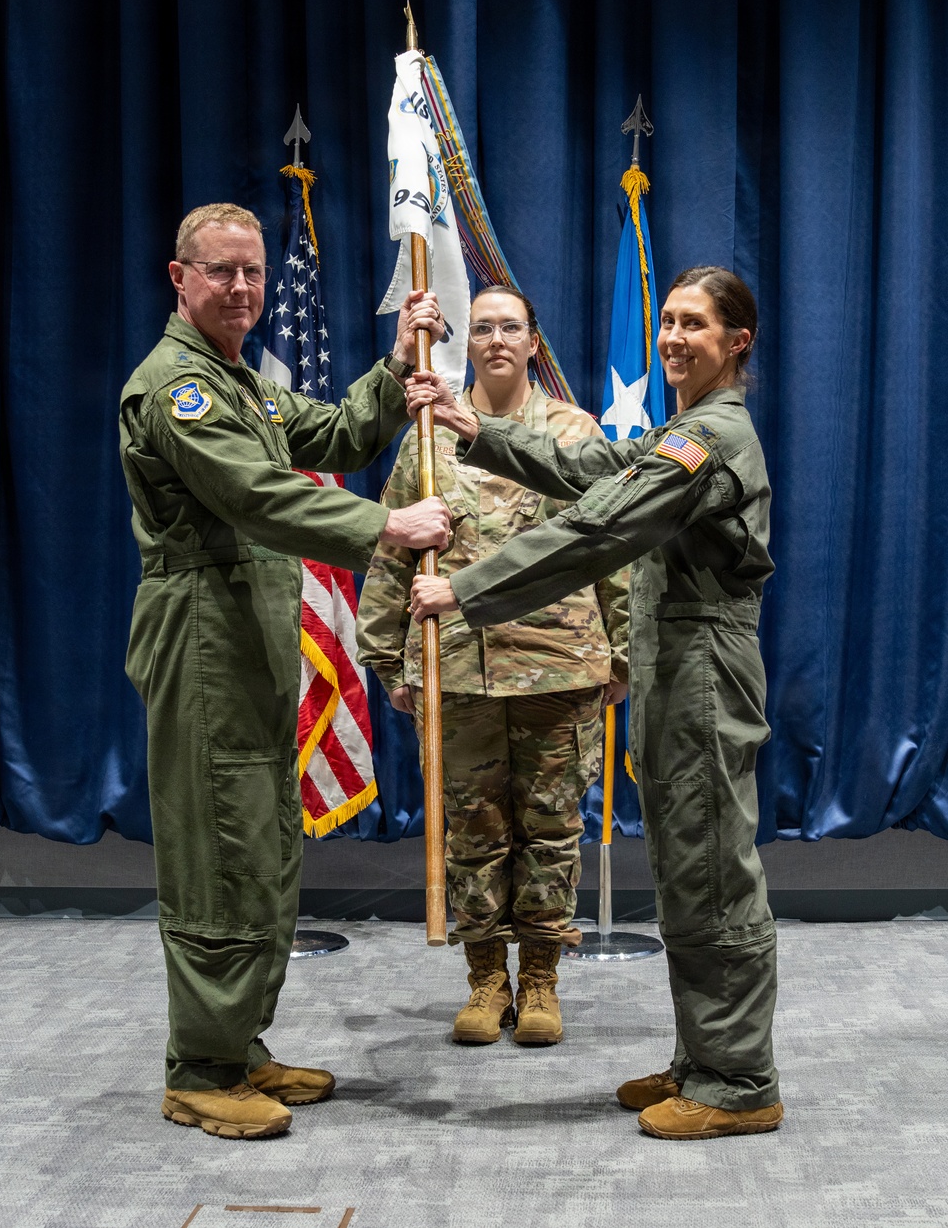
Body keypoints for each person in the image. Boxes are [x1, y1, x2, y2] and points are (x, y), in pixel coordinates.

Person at [407, 267, 783, 1141]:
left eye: (695, 324)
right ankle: (703, 1058)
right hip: (677, 668)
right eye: (668, 321)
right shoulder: (684, 431)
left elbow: (601, 526)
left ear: (738, 342)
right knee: (687, 870)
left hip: (703, 670)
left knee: (713, 874)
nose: (673, 338)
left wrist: (466, 589)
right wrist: (480, 432)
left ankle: (739, 1081)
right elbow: (598, 467)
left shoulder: (712, 437)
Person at [119, 202, 450, 1140]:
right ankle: (200, 1067)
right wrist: (387, 527)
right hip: (203, 634)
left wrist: (396, 364)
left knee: (262, 842)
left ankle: (239, 1045)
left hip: (249, 631)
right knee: (219, 850)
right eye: (220, 270)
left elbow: (334, 437)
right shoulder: (176, 389)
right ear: (179, 278)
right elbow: (255, 493)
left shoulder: (240, 383)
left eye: (253, 272)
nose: (242, 288)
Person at [355, 286, 629, 1046]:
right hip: (457, 668)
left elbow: (613, 545)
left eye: (511, 327)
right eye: (482, 328)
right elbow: (393, 547)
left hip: (559, 665)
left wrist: (624, 650)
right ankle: (485, 980)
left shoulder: (573, 432)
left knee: (551, 827)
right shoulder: (426, 437)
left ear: (534, 342)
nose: (497, 340)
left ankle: (540, 977)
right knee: (471, 830)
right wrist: (387, 656)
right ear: (465, 342)